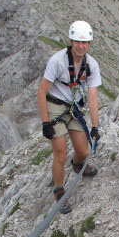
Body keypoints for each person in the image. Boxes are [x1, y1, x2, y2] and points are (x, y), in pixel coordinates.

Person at [37, 20, 101, 214]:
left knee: (83, 150)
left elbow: (92, 97)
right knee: (60, 152)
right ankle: (59, 191)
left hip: (72, 109)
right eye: (77, 42)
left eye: (84, 43)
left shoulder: (91, 65)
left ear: (89, 44)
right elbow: (41, 92)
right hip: (55, 107)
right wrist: (46, 122)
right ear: (71, 42)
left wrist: (95, 127)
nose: (80, 46)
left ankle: (77, 165)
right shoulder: (58, 61)